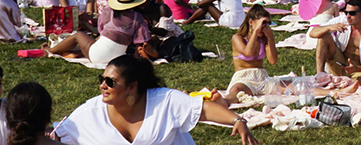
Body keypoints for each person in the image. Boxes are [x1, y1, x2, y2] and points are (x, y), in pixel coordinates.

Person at [55, 54, 257, 144]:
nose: (103, 86)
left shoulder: (164, 101)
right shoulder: (89, 113)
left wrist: (236, 120)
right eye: (102, 79)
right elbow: (55, 134)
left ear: (132, 87)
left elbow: (203, 109)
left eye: (110, 81)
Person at [44, 0, 153, 63]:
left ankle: (50, 50)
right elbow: (141, 41)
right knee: (93, 43)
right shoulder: (137, 18)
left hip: (98, 55)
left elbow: (100, 30)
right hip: (118, 58)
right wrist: (136, 59)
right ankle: (76, 53)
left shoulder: (108, 11)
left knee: (78, 35)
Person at [310, 0, 361, 83]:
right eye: (346, 12)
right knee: (323, 36)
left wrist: (356, 69)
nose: (348, 16)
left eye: (352, 13)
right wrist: (329, 27)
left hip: (359, 71)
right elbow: (313, 33)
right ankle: (320, 76)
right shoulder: (342, 20)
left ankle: (347, 81)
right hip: (338, 64)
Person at [217, 5, 279, 106]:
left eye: (267, 23)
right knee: (236, 91)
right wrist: (255, 31)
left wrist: (270, 37)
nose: (264, 27)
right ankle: (222, 101)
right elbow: (248, 52)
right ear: (251, 22)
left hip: (262, 77)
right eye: (262, 23)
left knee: (289, 87)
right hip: (244, 78)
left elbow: (273, 61)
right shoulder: (238, 38)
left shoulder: (264, 38)